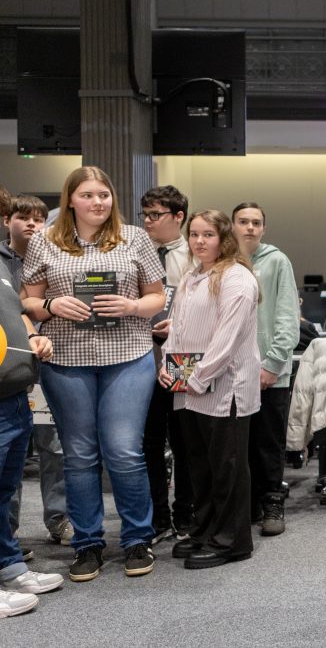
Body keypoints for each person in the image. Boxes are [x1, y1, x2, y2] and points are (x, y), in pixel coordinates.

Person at [21, 166, 167, 582]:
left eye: (103, 194)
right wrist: (51, 306)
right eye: (87, 195)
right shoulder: (44, 241)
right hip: (66, 360)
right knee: (80, 454)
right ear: (70, 200)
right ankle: (87, 543)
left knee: (123, 451)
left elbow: (157, 296)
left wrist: (132, 306)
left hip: (128, 356)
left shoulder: (135, 238)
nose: (97, 202)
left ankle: (137, 538)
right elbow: (27, 301)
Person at [159, 210, 261, 569]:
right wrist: (168, 366)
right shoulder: (191, 276)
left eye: (208, 235)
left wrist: (198, 378)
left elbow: (226, 340)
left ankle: (231, 541)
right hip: (189, 387)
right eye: (194, 234)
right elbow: (178, 328)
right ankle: (204, 532)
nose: (199, 241)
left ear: (224, 239)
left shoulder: (237, 278)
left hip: (225, 388)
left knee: (226, 469)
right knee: (199, 468)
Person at [0, 186, 63, 617]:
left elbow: (16, 314)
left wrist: (33, 335)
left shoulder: (4, 263)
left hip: (12, 390)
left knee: (4, 490)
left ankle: (8, 566)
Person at [232, 202, 299, 536]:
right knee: (238, 446)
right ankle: (247, 506)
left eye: (256, 222)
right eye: (243, 221)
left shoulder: (277, 261)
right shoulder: (224, 263)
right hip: (232, 373)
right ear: (232, 226)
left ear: (264, 228)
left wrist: (272, 364)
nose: (250, 228)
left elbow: (287, 317)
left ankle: (273, 501)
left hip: (270, 373)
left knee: (268, 444)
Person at [139, 185, 194, 542]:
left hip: (182, 356)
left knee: (184, 437)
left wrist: (180, 323)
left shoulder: (194, 254)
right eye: (145, 214)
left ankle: (185, 513)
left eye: (155, 215)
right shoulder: (137, 251)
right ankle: (157, 516)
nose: (147, 221)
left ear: (178, 217)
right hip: (142, 354)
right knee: (149, 440)